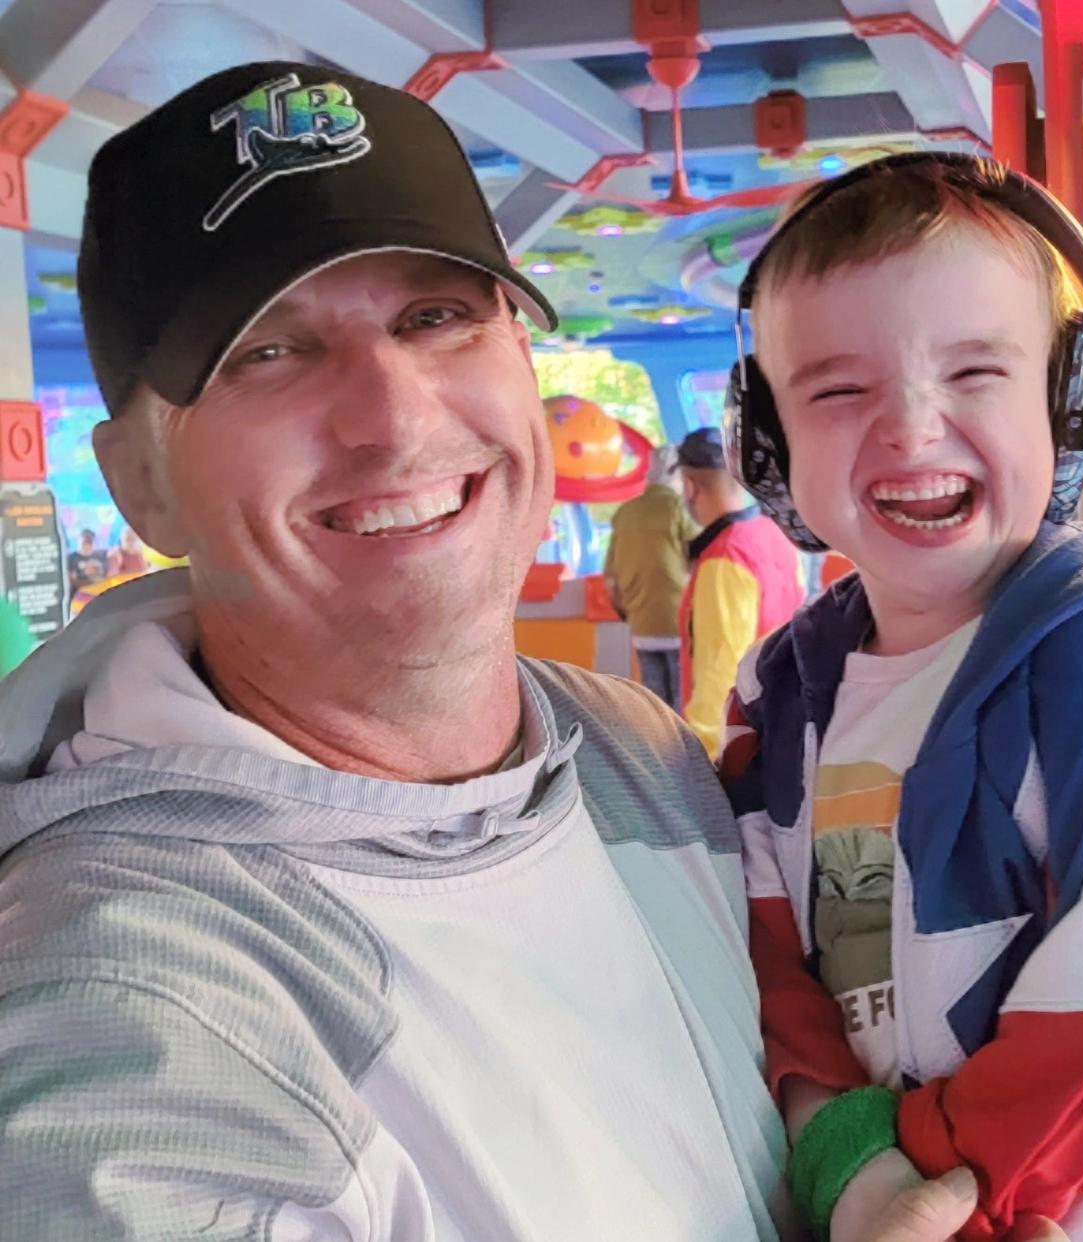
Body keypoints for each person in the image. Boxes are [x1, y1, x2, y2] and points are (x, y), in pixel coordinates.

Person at [0, 60, 800, 1241]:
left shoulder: (632, 754)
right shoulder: (130, 1000)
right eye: (267, 351)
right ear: (141, 487)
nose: (398, 416)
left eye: (438, 316)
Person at [719, 153, 1083, 1241]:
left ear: (1071, 402)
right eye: (840, 388)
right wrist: (839, 1151)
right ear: (768, 444)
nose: (911, 429)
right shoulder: (781, 703)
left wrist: (943, 1183)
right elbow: (766, 948)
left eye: (974, 374)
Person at [676, 426, 803, 759]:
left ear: (689, 487)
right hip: (778, 724)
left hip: (735, 748)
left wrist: (704, 756)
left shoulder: (724, 557)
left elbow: (719, 670)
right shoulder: (774, 536)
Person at [604, 441, 695, 708]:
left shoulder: (625, 513)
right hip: (679, 621)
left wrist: (628, 612)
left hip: (641, 622)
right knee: (683, 704)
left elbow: (611, 577)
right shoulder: (679, 509)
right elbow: (701, 559)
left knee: (655, 705)